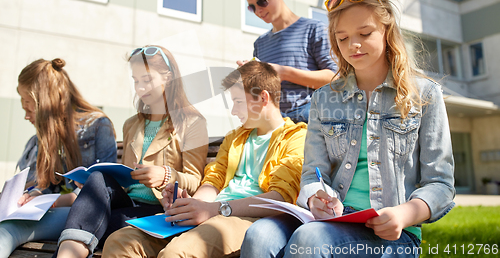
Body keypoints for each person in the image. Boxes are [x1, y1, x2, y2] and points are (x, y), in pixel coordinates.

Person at [240, 0, 455, 258]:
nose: (353, 45)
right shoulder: (323, 99)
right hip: (330, 220)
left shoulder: (424, 94)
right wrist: (316, 195)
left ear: (387, 32)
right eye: (342, 38)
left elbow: (441, 184)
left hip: (392, 231)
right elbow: (313, 172)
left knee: (310, 239)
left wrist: (403, 215)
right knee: (258, 235)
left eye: (365, 34)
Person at [102, 61, 307, 258]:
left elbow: (280, 198)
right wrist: (190, 204)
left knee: (177, 253)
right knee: (120, 241)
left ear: (263, 98)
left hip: (247, 217)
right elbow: (214, 180)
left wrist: (215, 209)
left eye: (237, 102)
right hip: (214, 211)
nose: (234, 111)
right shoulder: (235, 137)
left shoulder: (296, 137)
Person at [53, 46, 208, 258]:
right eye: (136, 81)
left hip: (159, 211)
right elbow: (125, 176)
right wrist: (88, 182)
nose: (140, 88)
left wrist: (165, 176)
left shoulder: (192, 123)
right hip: (128, 204)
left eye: (147, 80)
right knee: (98, 178)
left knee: (88, 220)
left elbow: (195, 180)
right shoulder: (131, 124)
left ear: (168, 78)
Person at [0, 58, 117, 258]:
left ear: (45, 103)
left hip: (84, 217)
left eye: (28, 107)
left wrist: (54, 201)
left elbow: (102, 192)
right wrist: (34, 194)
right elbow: (39, 183)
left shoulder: (98, 126)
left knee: (9, 228)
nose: (26, 116)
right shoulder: (41, 138)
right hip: (48, 211)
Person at [238, 0, 338, 123]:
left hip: (309, 119)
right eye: (251, 7)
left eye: (262, 1)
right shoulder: (260, 43)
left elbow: (336, 79)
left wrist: (284, 73)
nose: (258, 11)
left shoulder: (314, 29)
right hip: (275, 123)